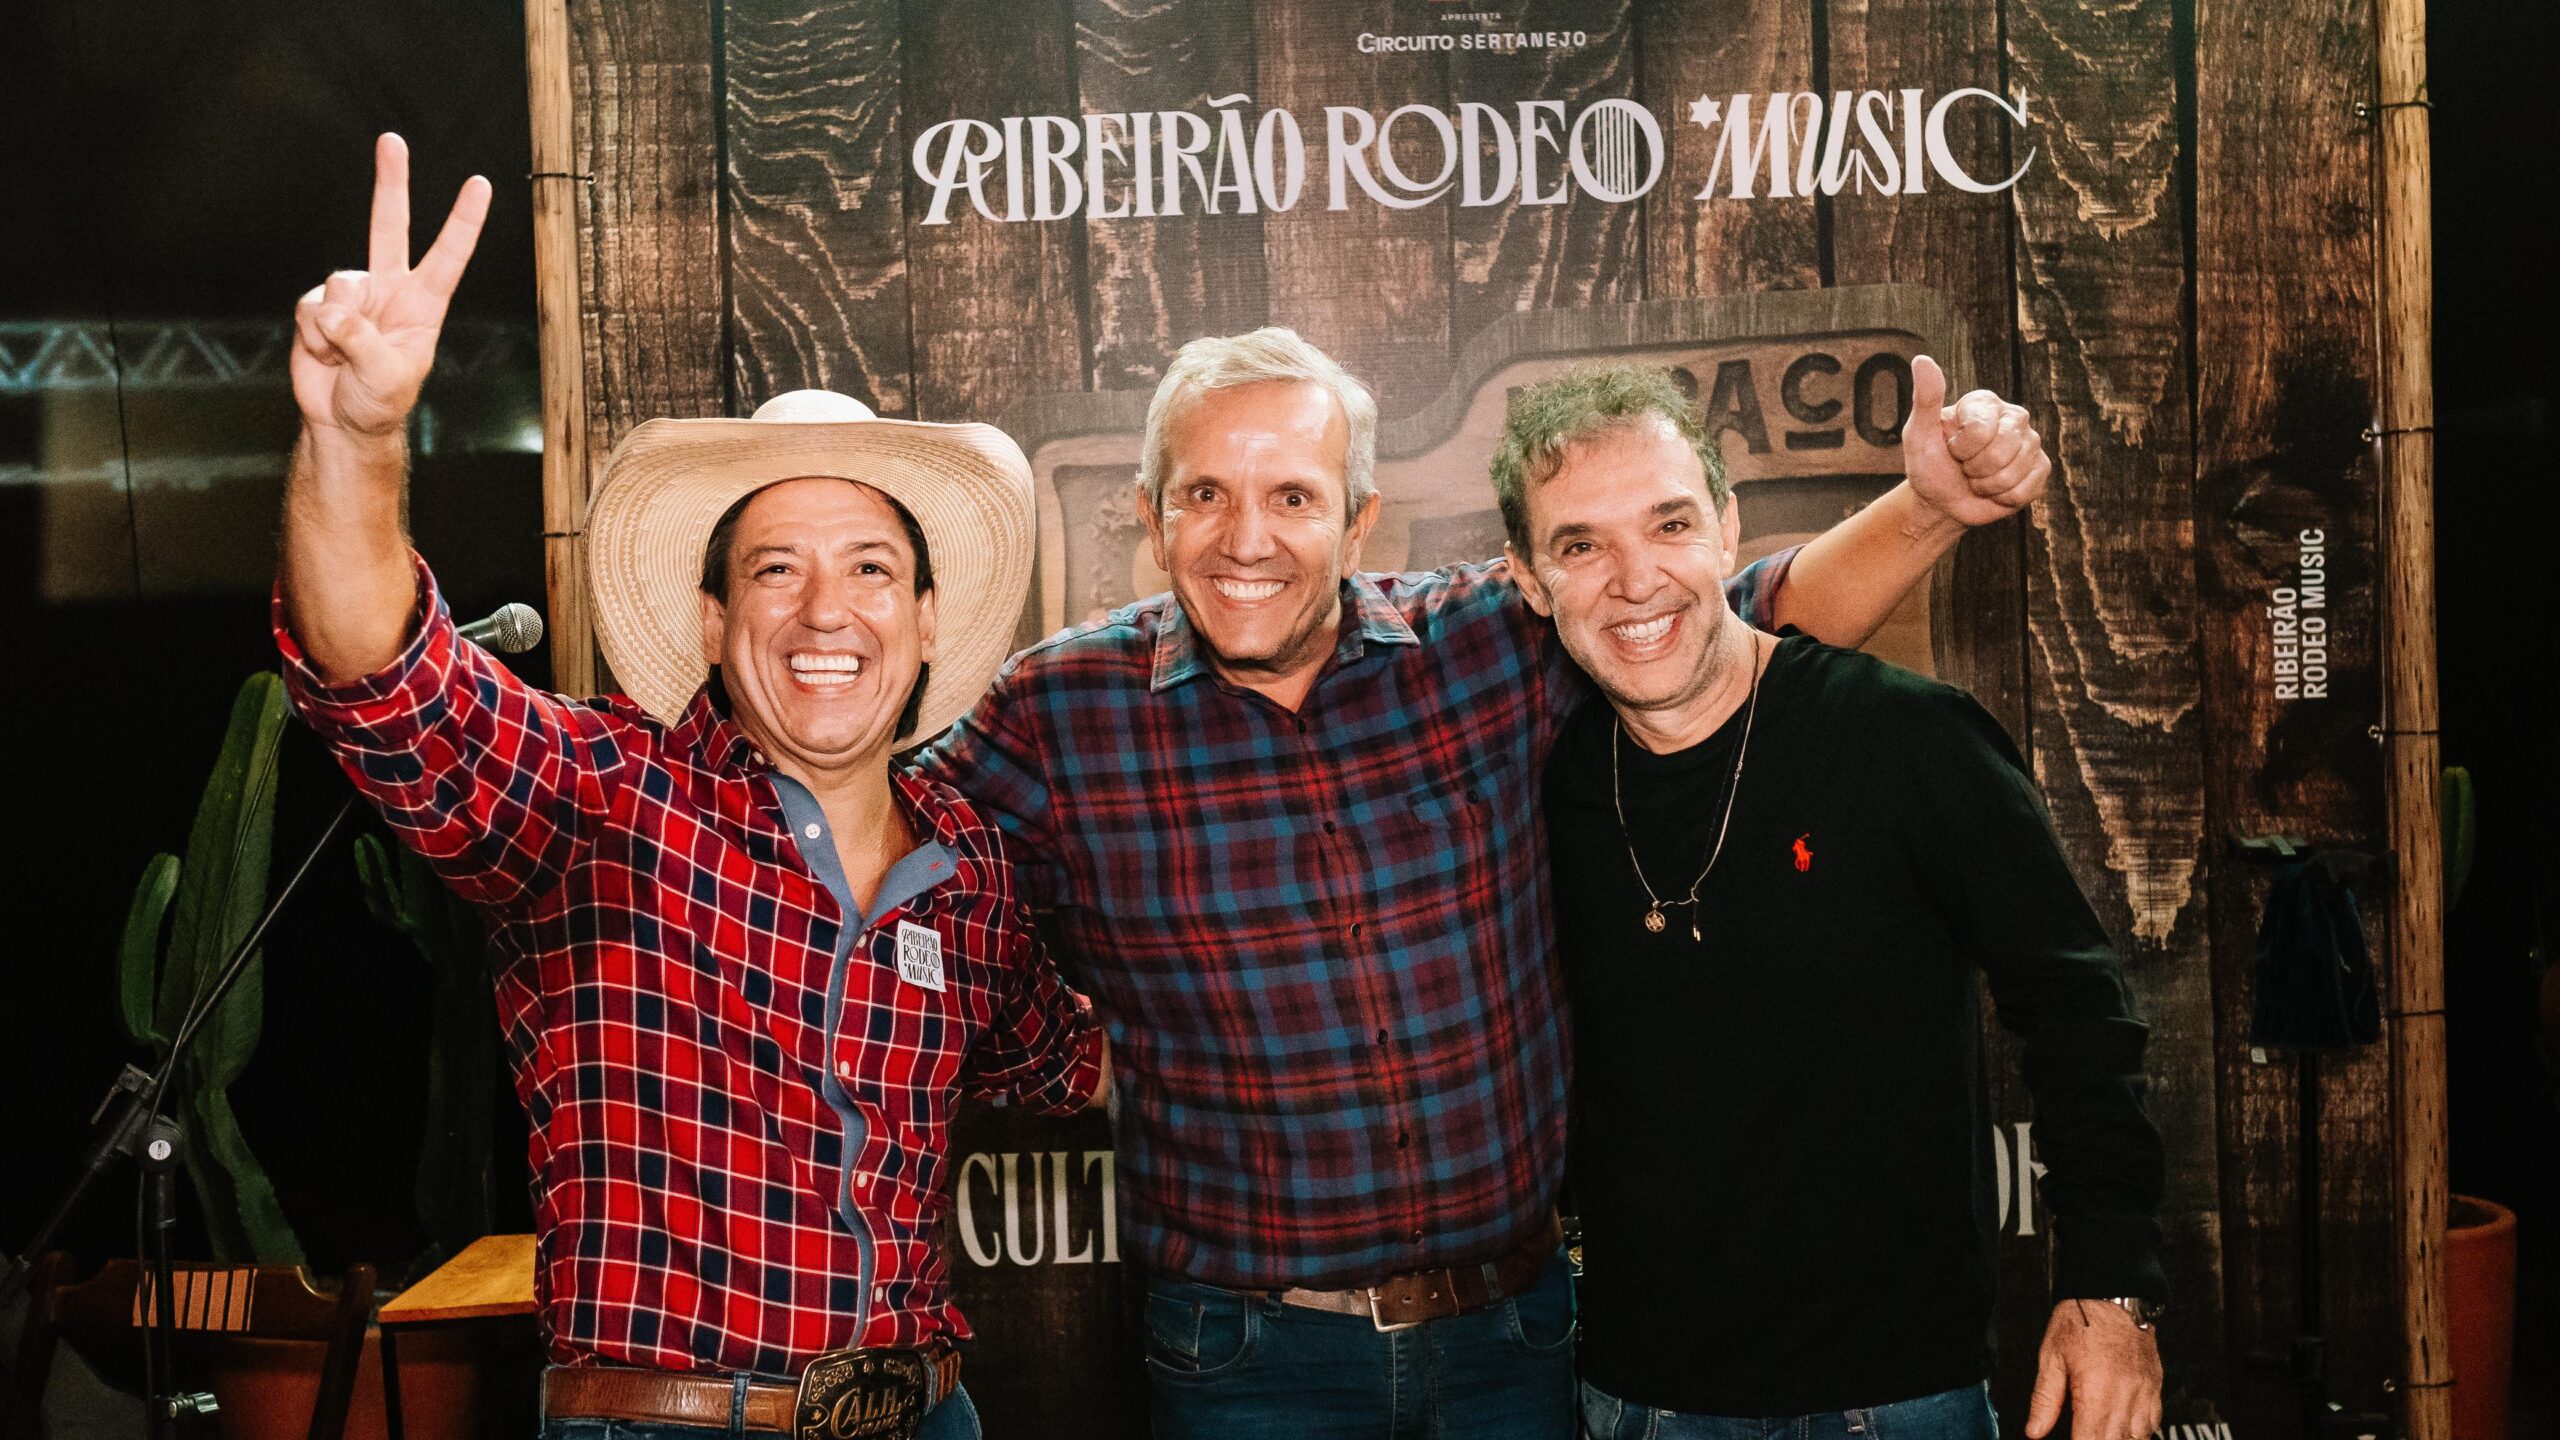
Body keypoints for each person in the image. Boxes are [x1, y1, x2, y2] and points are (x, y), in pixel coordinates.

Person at [911, 327, 2057, 1438]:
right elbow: (888, 865)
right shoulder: (1057, 711)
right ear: (1153, 519)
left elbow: (1739, 617)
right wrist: (1056, 1043)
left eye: (1294, 498)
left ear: (1358, 522)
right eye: (1203, 495)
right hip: (1249, 1359)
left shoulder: (1482, 644)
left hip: (1512, 1338)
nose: (1243, 538)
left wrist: (1934, 503)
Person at [276, 134, 1106, 1440]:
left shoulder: (980, 874)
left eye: (872, 569)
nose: (827, 610)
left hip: (928, 1417)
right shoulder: (601, 802)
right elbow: (385, 676)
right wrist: (355, 435)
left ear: (931, 618)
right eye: (776, 569)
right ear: (714, 619)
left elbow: (1079, 1065)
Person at [1498, 364, 2167, 1440]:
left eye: (1668, 524)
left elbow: (2080, 1012)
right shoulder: (1552, 777)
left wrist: (2110, 1291)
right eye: (1581, 544)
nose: (1635, 579)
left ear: (1726, 531)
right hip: (1642, 1400)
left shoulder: (1906, 739)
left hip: (1899, 1395)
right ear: (1528, 580)